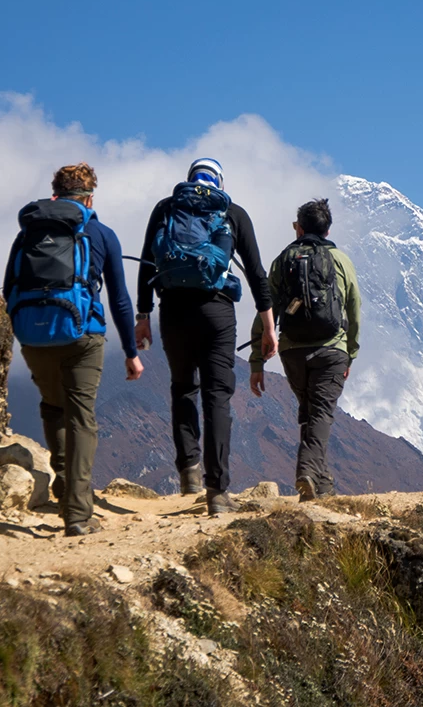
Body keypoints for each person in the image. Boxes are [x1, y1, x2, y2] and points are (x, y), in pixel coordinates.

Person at [4, 163, 143, 537]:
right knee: (82, 418)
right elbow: (120, 300)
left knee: (53, 406)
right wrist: (131, 351)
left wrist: (24, 330)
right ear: (90, 197)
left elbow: (8, 285)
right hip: (83, 336)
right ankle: (78, 514)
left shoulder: (29, 231)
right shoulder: (100, 232)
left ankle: (64, 485)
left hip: (33, 336)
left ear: (55, 193)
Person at [135, 158, 277, 515]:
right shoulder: (232, 213)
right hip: (216, 311)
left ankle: (189, 471)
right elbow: (258, 274)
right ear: (220, 184)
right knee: (218, 396)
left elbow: (146, 261)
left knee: (183, 386)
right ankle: (217, 492)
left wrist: (143, 315)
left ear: (189, 181)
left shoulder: (167, 208)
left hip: (173, 310)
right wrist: (269, 326)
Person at [249, 198, 361, 501]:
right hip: (331, 350)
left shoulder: (284, 259)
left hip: (292, 350)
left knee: (311, 412)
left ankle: (321, 489)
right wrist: (350, 352)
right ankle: (308, 472)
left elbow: (266, 308)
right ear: (327, 230)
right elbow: (354, 308)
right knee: (320, 413)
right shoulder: (340, 260)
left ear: (299, 228)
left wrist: (257, 361)